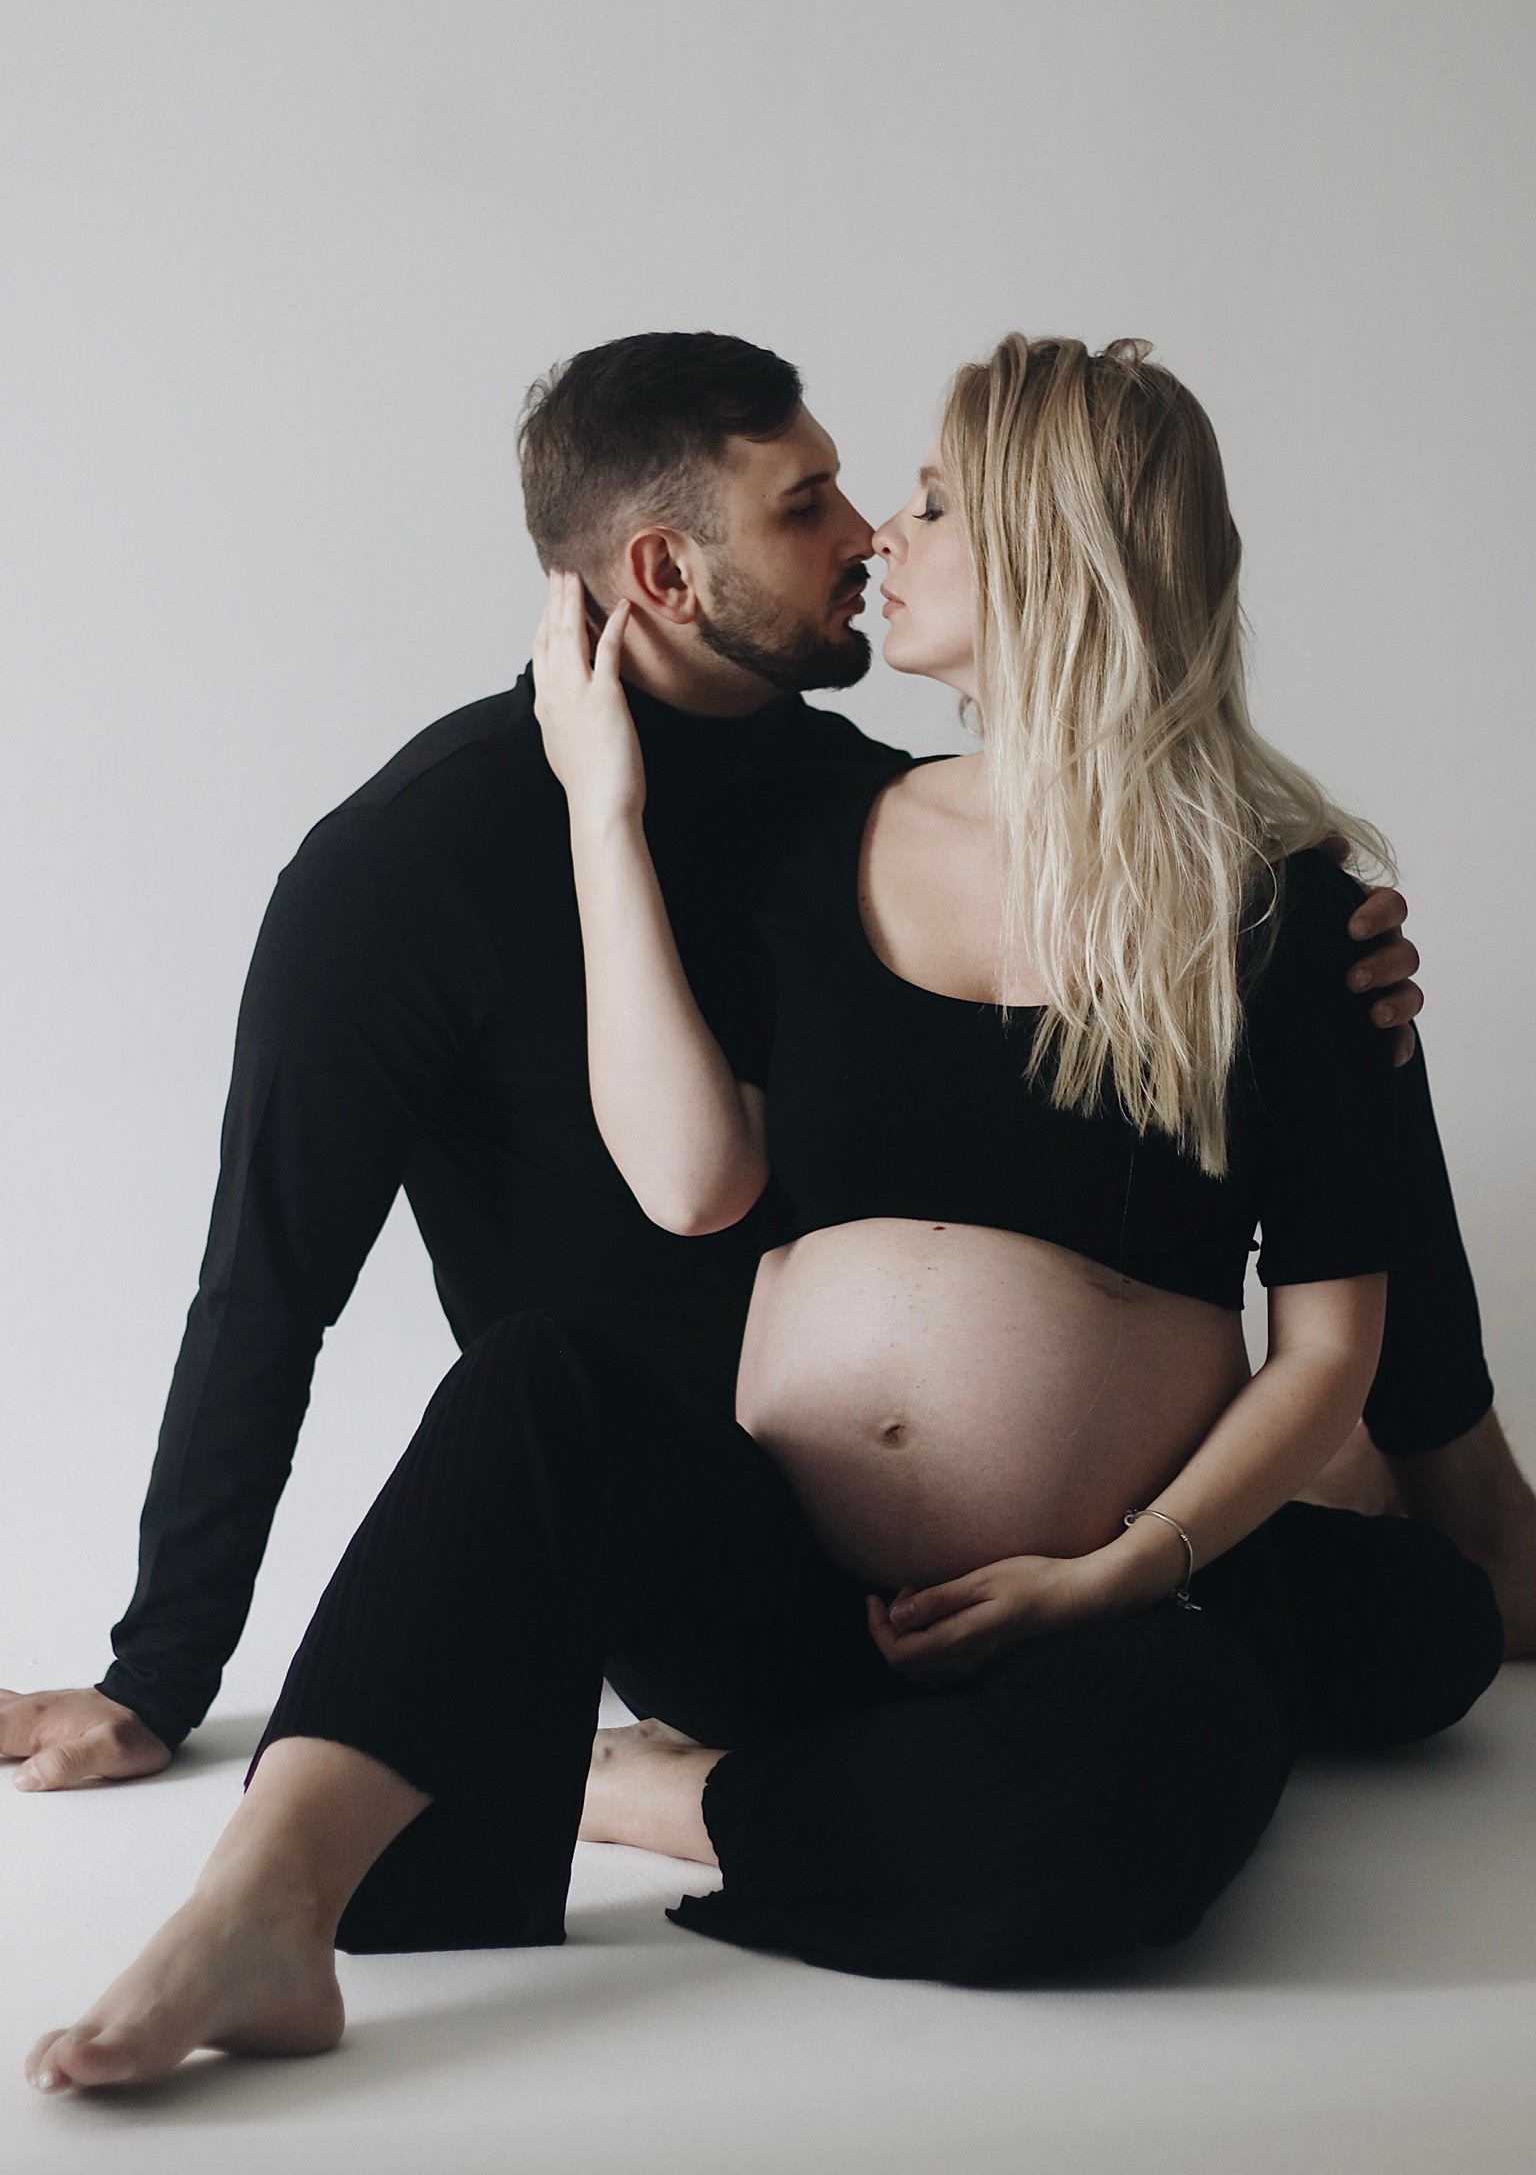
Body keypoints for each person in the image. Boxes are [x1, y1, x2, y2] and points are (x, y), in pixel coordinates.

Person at [25, 336, 1507, 2093]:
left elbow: (1333, 1327)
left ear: (1057, 554)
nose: (876, 532)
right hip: (773, 1577)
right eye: (823, 504)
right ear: (664, 572)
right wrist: (604, 808)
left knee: (1130, 1813)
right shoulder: (732, 842)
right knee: (530, 1386)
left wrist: (1127, 1566)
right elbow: (607, 1198)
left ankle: (678, 1798)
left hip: (1105, 1588)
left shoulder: (1226, 898)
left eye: (925, 501)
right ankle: (255, 1911)